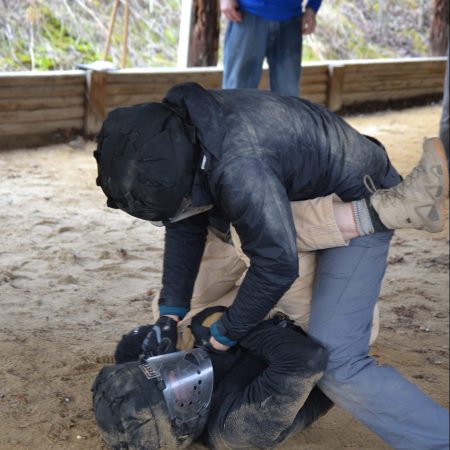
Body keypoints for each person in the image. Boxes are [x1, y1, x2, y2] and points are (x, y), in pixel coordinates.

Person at [94, 82, 449, 450]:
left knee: (341, 364)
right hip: (277, 200)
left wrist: (223, 330)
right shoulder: (180, 134)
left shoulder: (237, 167)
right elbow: (185, 222)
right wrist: (178, 316)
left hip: (352, 192)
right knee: (189, 303)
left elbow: (275, 262)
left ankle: (382, 211)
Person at [93, 309, 333, 450]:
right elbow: (307, 358)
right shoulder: (237, 428)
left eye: (161, 369)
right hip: (317, 338)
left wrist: (162, 333)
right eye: (170, 384)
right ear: (178, 425)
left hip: (271, 324)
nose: (174, 371)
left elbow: (132, 345)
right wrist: (231, 328)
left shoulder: (184, 389)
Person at [220, 0, 320, 96]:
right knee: (236, 94)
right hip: (245, 13)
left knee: (288, 97)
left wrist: (312, 7)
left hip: (290, 17)